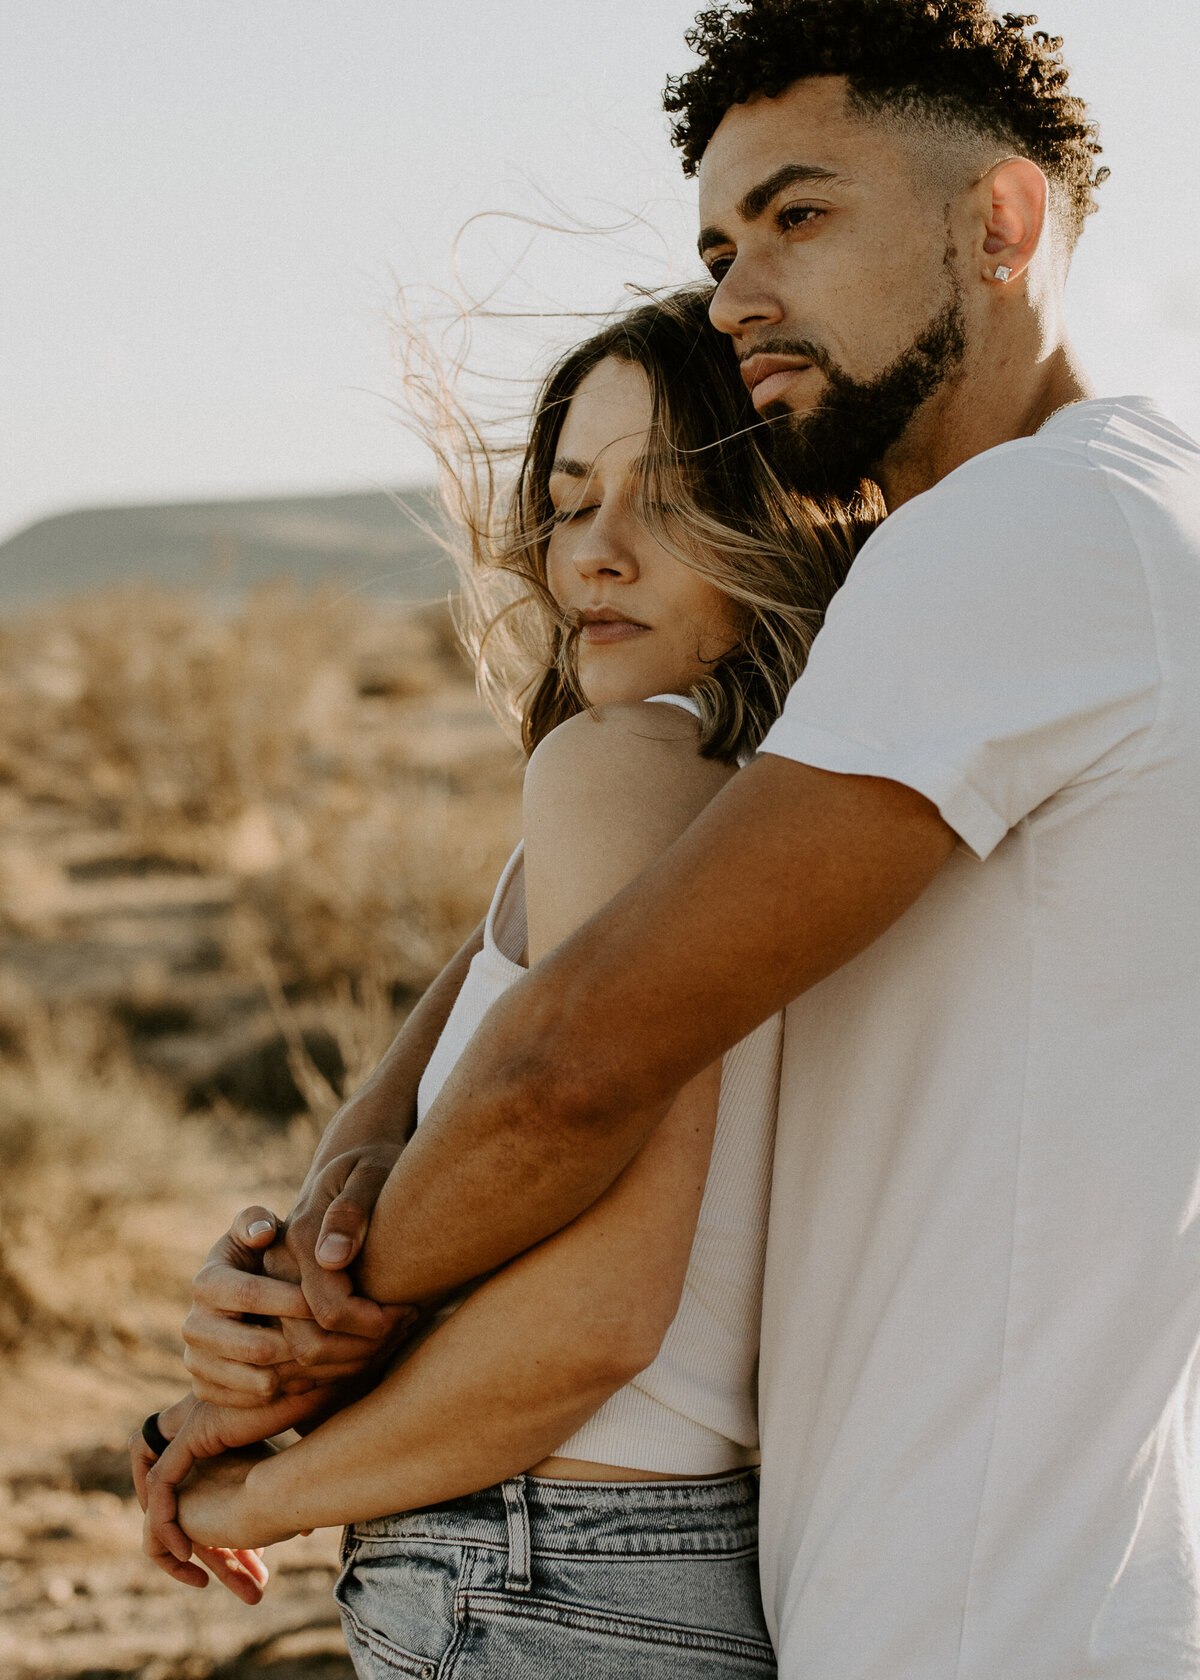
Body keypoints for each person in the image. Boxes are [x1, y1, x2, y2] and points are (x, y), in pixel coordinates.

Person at [170, 2, 1200, 1675]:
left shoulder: (1031, 528)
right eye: (719, 244)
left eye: (802, 216)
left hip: (986, 1610)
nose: (739, 294)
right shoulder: (1044, 553)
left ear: (998, 223)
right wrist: (350, 1168)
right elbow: (579, 947)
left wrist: (308, 1331)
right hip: (925, 1578)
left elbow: (574, 1062)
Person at [134, 287, 880, 1676]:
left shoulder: (632, 770)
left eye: (666, 500)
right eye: (570, 497)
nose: (593, 558)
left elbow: (593, 1321)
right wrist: (274, 1323)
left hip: (541, 1558)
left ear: (775, 524)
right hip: (635, 1563)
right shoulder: (774, 809)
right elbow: (400, 1118)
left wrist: (261, 1487)